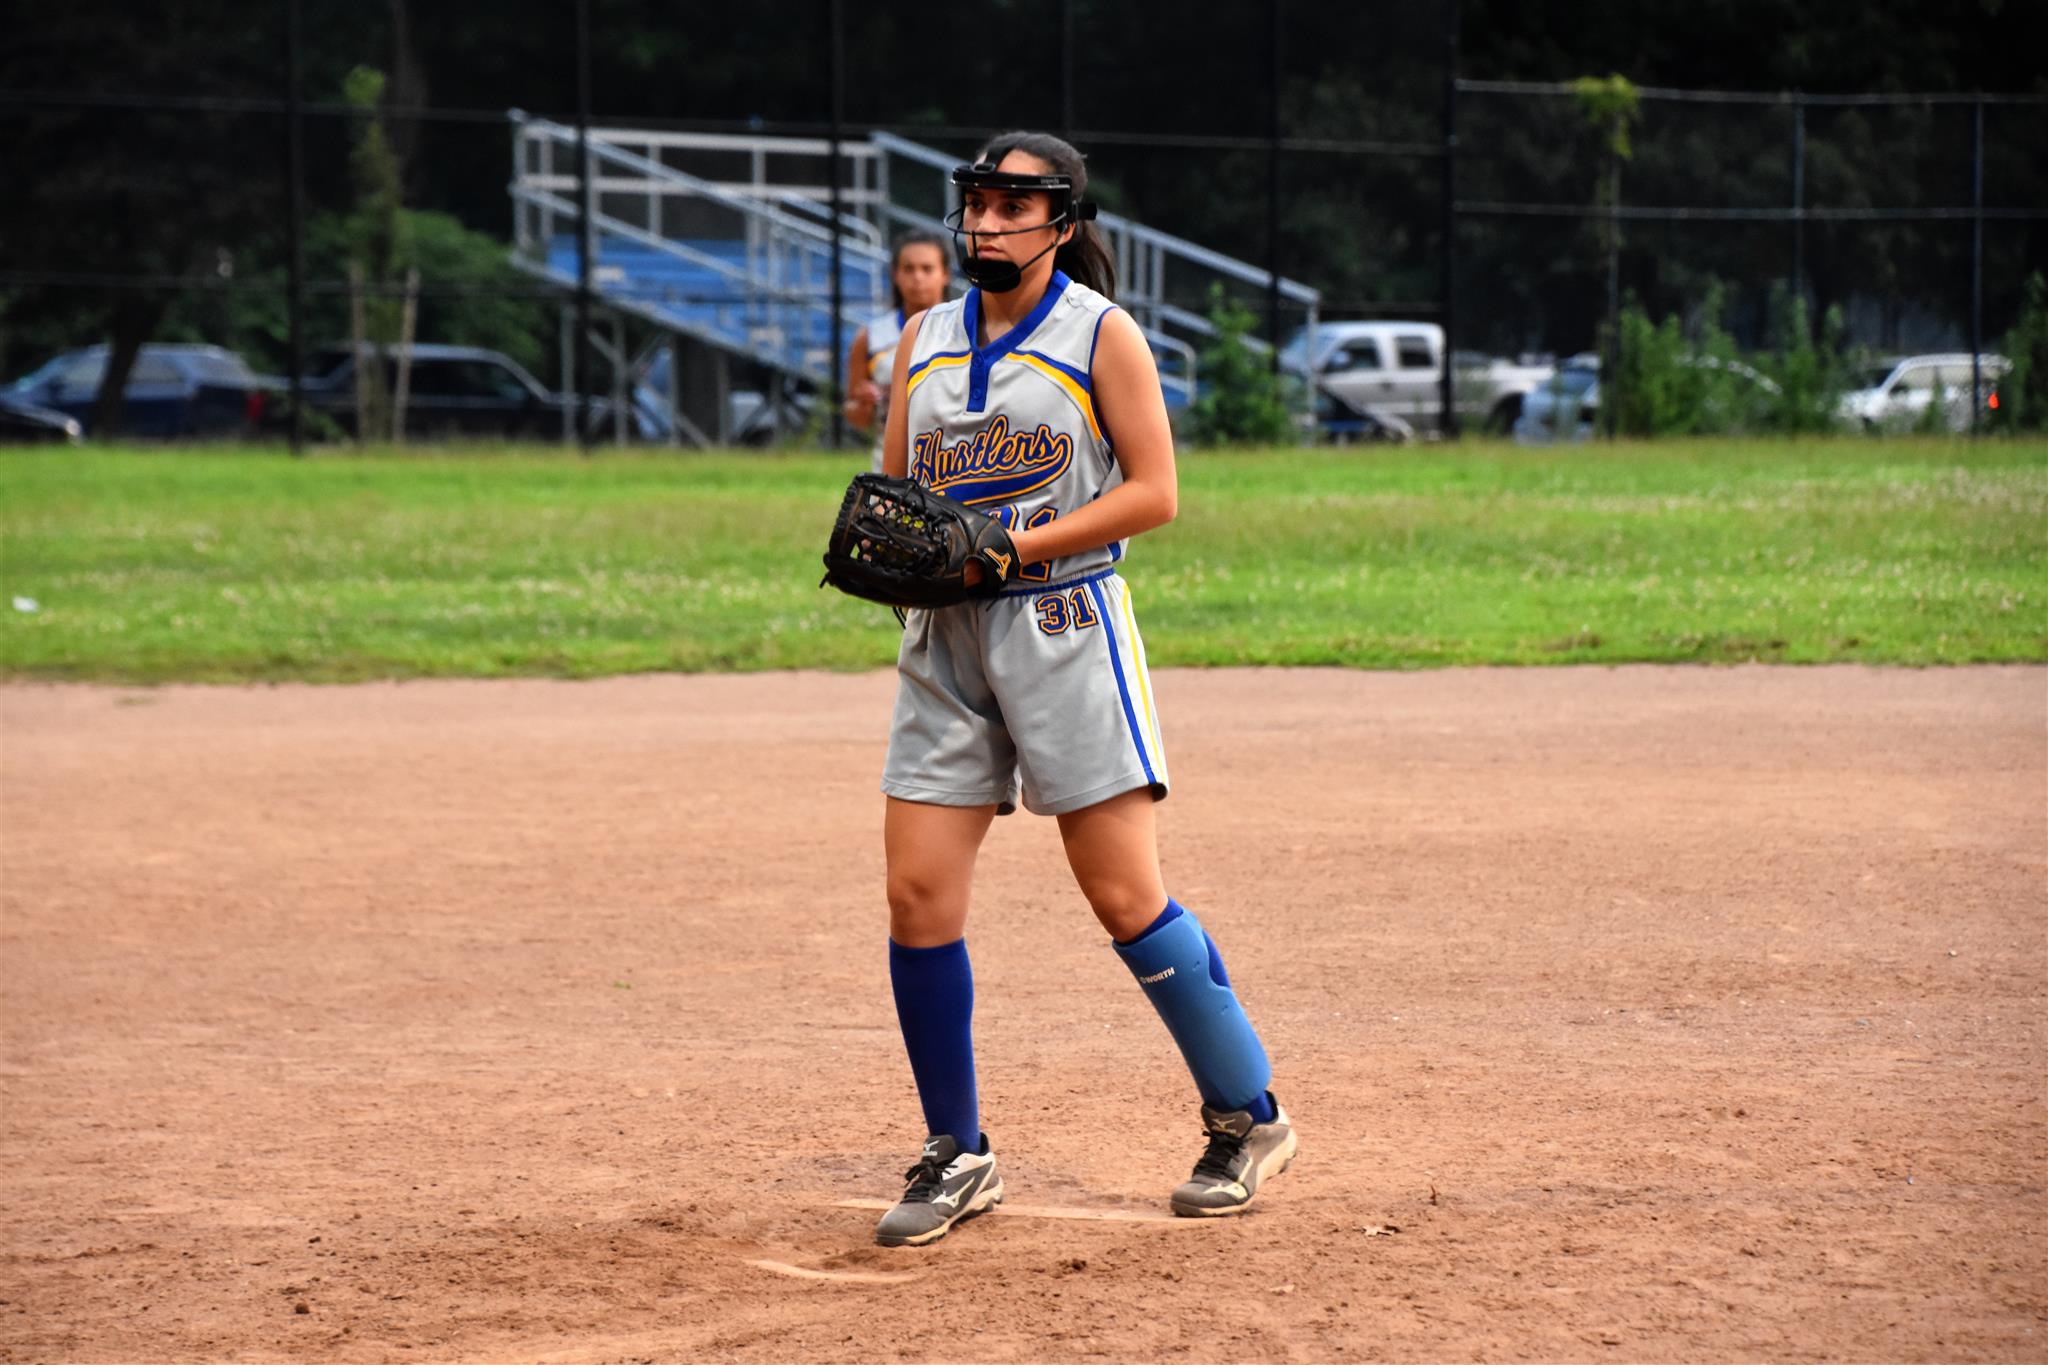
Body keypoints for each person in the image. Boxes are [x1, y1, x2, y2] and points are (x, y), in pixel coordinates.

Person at [870, 131, 1295, 1249]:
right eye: (979, 201)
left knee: (1120, 895)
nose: (988, 221)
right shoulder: (921, 338)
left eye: (1015, 203)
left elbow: (1154, 492)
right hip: (945, 642)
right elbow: (897, 483)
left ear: (1060, 221)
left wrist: (1022, 546)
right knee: (916, 897)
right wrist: (894, 544)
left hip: (1063, 624)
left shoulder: (1100, 335)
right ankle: (956, 1151)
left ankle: (1245, 1116)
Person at [844, 231, 952, 471]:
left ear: (945, 274)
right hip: (890, 469)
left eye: (927, 268)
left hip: (951, 467)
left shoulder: (967, 329)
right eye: (908, 269)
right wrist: (863, 404)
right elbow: (855, 416)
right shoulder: (871, 338)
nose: (917, 278)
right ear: (895, 274)